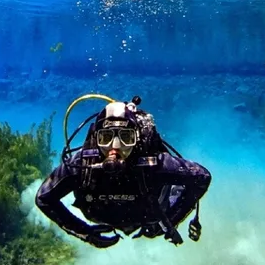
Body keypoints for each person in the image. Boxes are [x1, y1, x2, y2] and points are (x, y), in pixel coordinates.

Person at [35, 96, 211, 248]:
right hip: (123, 216)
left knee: (174, 187)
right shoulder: (83, 164)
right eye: (106, 138)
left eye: (126, 137)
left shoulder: (153, 165)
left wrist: (170, 220)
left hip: (150, 215)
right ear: (97, 140)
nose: (115, 147)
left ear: (136, 139)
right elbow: (44, 198)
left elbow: (201, 177)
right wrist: (84, 232)